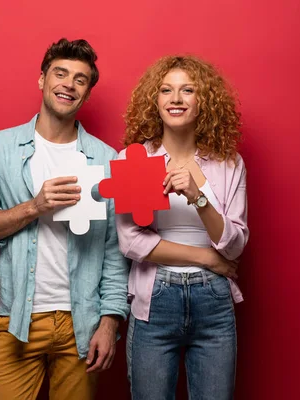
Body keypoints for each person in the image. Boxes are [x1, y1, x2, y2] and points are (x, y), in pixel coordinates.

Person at [0, 38, 129, 400]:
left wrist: (110, 320)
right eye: (61, 73)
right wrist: (33, 207)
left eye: (80, 79)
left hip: (81, 323)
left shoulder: (106, 160)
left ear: (86, 92)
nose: (69, 84)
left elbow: (115, 250)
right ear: (42, 80)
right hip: (16, 320)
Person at [118, 55, 248, 400]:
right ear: (154, 100)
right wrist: (206, 257)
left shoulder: (228, 163)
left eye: (187, 90)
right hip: (155, 297)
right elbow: (131, 242)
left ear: (203, 100)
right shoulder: (133, 159)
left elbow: (233, 247)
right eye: (166, 90)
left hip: (215, 301)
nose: (175, 99)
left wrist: (197, 196)